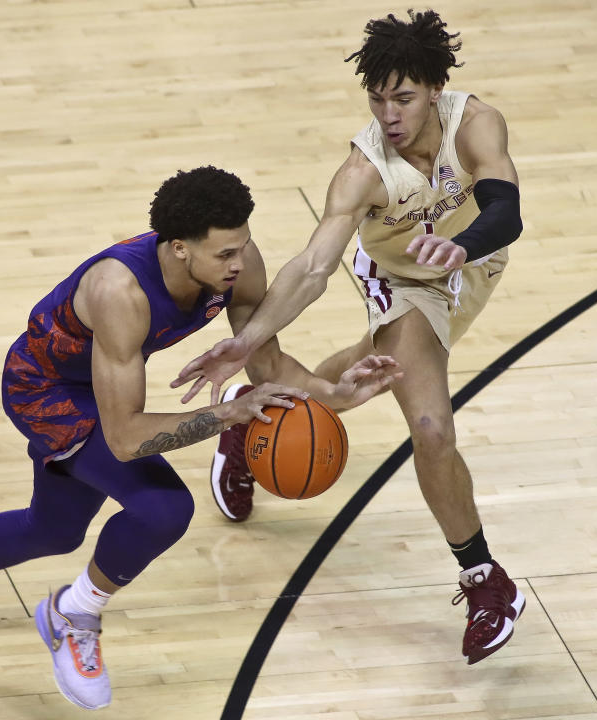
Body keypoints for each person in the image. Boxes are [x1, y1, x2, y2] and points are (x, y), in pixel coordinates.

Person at [0, 166, 400, 710]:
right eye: (224, 255)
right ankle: (75, 612)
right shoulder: (121, 292)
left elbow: (270, 365)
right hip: (46, 391)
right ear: (180, 249)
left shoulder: (238, 267)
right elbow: (122, 439)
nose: (240, 263)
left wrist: (335, 394)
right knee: (163, 508)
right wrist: (228, 415)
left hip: (101, 387)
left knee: (54, 530)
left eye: (244, 246)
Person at [174, 10, 525, 665]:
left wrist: (460, 246)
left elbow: (506, 211)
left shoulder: (477, 124)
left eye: (404, 97)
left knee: (361, 375)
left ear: (434, 88)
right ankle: (485, 580)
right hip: (403, 278)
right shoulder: (364, 170)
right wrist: (248, 342)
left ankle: (260, 422)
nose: (389, 113)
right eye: (377, 98)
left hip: (470, 262)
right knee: (430, 426)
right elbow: (311, 269)